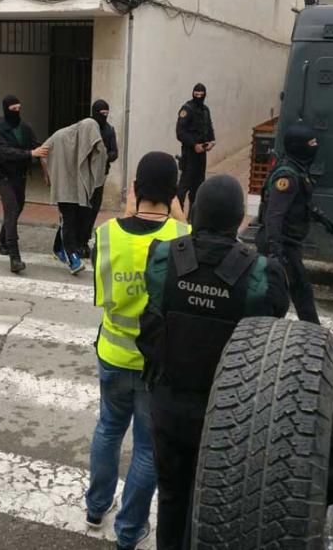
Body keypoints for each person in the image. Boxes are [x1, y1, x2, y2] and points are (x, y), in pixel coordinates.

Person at [137, 175, 290, 550]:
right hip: (229, 416)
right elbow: (275, 318)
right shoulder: (261, 273)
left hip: (168, 403)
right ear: (240, 219)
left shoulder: (162, 257)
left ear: (193, 212)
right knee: (217, 506)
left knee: (172, 496)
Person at [86, 152, 190, 550]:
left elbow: (101, 293)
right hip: (155, 364)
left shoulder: (107, 233)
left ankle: (96, 507)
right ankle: (128, 533)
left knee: (108, 429)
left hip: (112, 354)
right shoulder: (183, 237)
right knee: (147, 446)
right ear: (174, 192)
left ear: (135, 189)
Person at [256, 122, 333, 360]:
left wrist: (321, 218)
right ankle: (318, 346)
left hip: (286, 243)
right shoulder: (287, 177)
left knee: (273, 294)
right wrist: (277, 250)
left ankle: (259, 340)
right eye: (311, 144)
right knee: (300, 293)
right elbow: (274, 216)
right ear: (298, 147)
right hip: (280, 243)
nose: (315, 148)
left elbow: (299, 205)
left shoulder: (297, 170)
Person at [0, 95, 48, 273]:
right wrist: (31, 154)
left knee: (18, 208)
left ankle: (2, 240)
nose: (16, 112)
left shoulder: (25, 127)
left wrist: (47, 152)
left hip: (20, 177)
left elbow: (37, 146)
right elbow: (6, 152)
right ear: (6, 109)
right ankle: (15, 258)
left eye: (18, 108)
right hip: (4, 176)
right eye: (13, 109)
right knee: (12, 210)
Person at [42, 117, 108, 275]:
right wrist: (48, 174)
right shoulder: (60, 136)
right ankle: (73, 258)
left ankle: (58, 248)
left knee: (73, 219)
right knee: (69, 219)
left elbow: (100, 155)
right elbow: (43, 151)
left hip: (79, 184)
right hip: (64, 183)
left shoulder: (88, 139)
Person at [85, 100, 119, 256]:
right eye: (101, 114)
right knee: (83, 208)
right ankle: (78, 241)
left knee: (94, 208)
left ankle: (84, 240)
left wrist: (104, 157)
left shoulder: (109, 130)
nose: (104, 117)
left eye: (107, 114)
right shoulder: (87, 128)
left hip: (101, 175)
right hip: (85, 174)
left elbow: (114, 152)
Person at [176, 83, 215, 212]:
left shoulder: (205, 110)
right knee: (183, 187)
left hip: (201, 155)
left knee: (198, 188)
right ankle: (178, 215)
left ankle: (193, 218)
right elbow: (180, 132)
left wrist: (211, 142)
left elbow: (209, 128)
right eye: (196, 94)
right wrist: (194, 145)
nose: (198, 97)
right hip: (189, 154)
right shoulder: (187, 109)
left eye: (201, 94)